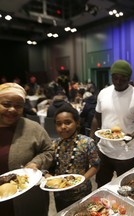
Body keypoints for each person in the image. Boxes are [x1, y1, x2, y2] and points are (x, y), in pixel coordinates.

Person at [90, 59, 134, 188]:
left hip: (125, 152)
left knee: (125, 186)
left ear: (129, 78)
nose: (118, 82)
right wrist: (92, 138)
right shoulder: (104, 93)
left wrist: (132, 136)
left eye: (123, 79)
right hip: (104, 149)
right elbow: (96, 117)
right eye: (115, 78)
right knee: (101, 183)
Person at [0, 82, 54, 216]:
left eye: (18, 106)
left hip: (28, 199)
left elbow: (49, 150)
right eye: (6, 104)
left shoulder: (33, 128)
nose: (12, 109)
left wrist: (36, 162)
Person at [48, 103, 100, 212]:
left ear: (77, 123)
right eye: (59, 124)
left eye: (68, 122)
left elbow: (95, 165)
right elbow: (51, 166)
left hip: (80, 192)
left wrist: (83, 179)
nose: (63, 127)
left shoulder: (87, 142)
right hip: (59, 192)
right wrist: (48, 175)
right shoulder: (55, 144)